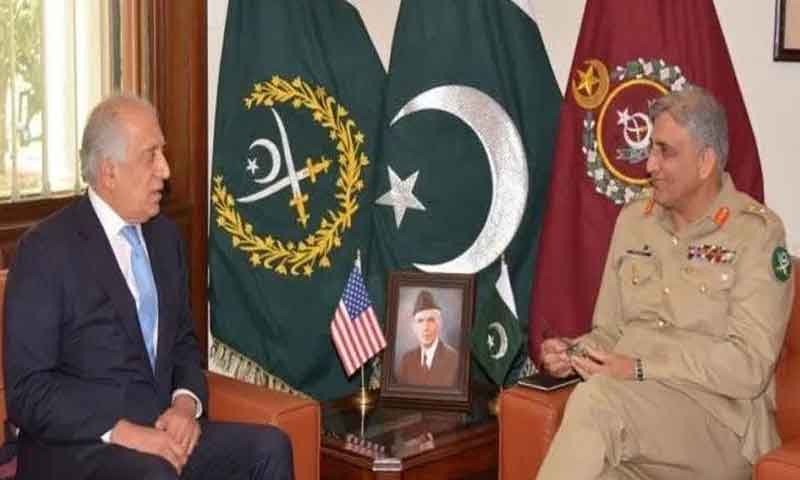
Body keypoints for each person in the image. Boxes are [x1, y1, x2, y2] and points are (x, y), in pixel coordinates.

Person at [3, 94, 294, 480]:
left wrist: (185, 406)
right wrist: (126, 433)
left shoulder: (165, 238)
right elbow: (28, 391)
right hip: (80, 447)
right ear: (109, 172)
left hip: (161, 432)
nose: (166, 170)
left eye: (163, 153)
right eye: (150, 155)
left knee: (269, 448)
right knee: (155, 473)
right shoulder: (46, 250)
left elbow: (183, 343)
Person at [537, 86, 794, 479]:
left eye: (665, 152)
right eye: (651, 149)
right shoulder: (634, 222)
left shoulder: (756, 233)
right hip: (639, 418)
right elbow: (611, 332)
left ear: (705, 161)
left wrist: (641, 367)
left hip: (719, 424)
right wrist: (575, 352)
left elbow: (749, 366)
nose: (649, 165)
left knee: (596, 401)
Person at [396, 290, 459, 387]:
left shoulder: (454, 359)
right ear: (414, 327)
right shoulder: (407, 360)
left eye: (431, 320)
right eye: (420, 321)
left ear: (439, 324)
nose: (425, 327)